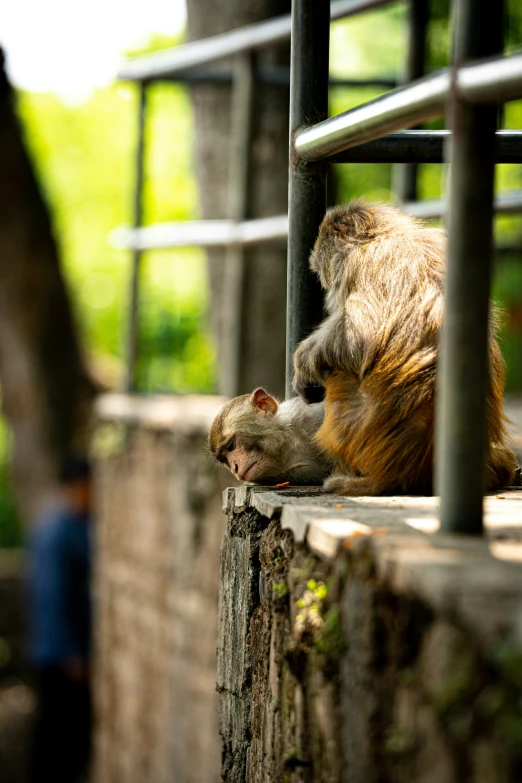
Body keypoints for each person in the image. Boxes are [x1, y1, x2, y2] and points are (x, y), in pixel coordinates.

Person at [26, 456, 92, 783]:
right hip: (59, 656)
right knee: (57, 740)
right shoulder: (58, 533)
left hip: (60, 650)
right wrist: (71, 654)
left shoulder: (74, 526)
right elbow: (53, 597)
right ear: (74, 487)